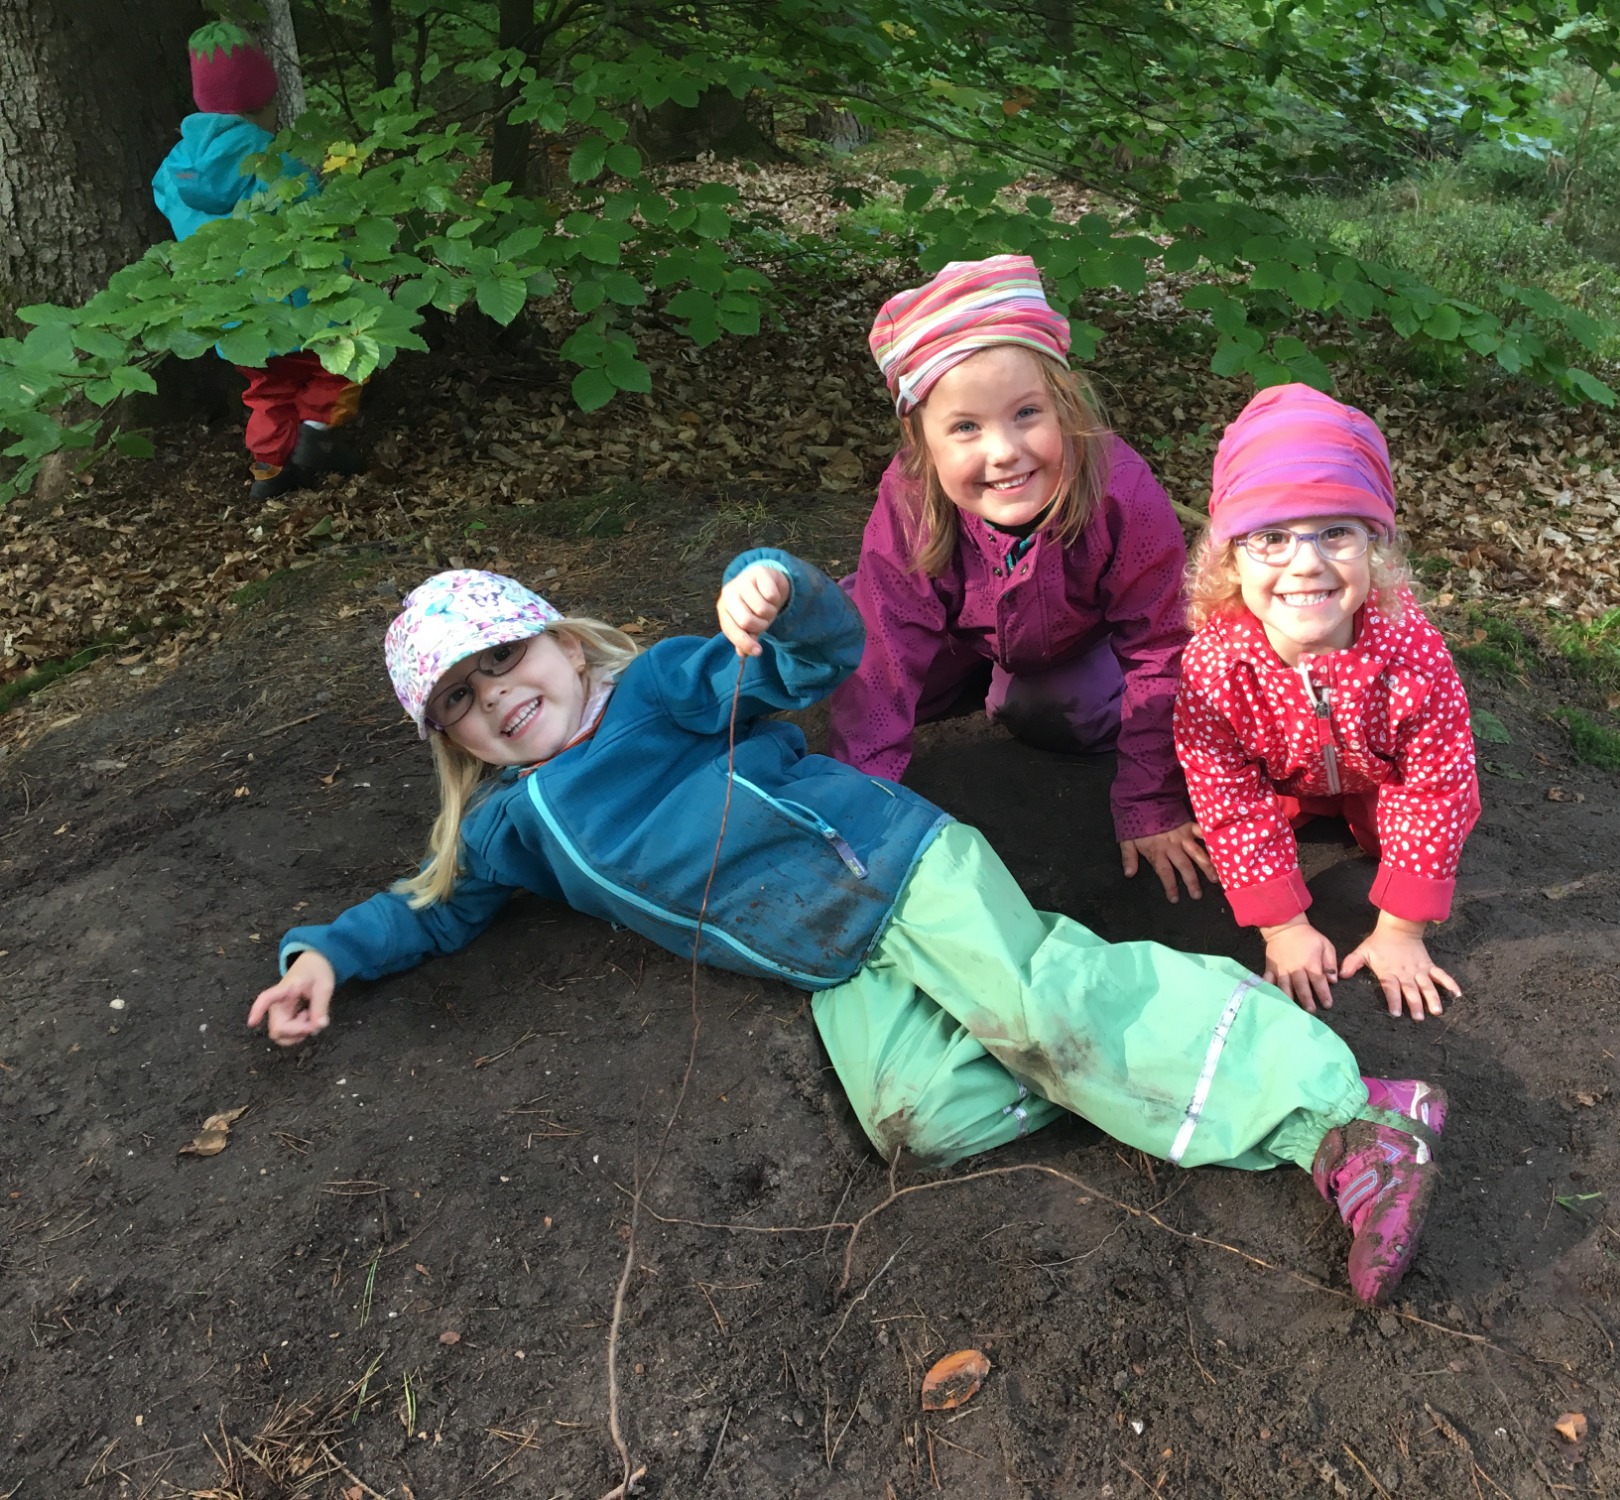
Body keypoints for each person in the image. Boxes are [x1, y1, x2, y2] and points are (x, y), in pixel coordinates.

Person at [246, 552, 1450, 1303]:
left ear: (562, 642)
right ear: (451, 740)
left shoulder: (658, 691)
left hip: (897, 868)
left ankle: (1344, 1119)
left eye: (506, 657)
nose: (499, 695)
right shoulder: (514, 827)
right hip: (831, 958)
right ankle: (1102, 1040)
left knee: (1038, 1013)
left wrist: (773, 590)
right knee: (917, 1118)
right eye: (460, 699)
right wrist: (327, 956)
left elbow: (809, 661)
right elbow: (435, 902)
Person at [826, 255, 1212, 904]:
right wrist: (862, 809)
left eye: (1026, 413)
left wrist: (1149, 800)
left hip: (1070, 642)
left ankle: (999, 682)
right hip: (955, 627)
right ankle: (843, 610)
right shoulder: (910, 498)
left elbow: (1160, 646)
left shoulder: (1120, 491)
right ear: (921, 441)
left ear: (1063, 403)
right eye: (966, 427)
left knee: (1070, 713)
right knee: (849, 661)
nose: (1004, 451)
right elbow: (885, 658)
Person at [1173, 385, 1481, 1022]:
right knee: (1236, 834)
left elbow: (1435, 787)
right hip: (1281, 778)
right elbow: (1227, 792)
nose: (1306, 564)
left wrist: (1401, 930)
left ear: (1376, 547)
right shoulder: (1215, 666)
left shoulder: (1412, 654)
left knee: (1405, 841)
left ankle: (1374, 853)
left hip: (1379, 779)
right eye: (1272, 537)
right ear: (1229, 559)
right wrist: (1283, 926)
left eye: (1336, 532)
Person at [152, 22, 363, 500]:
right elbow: (316, 222)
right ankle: (317, 437)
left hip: (234, 315)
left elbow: (166, 201)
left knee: (267, 391)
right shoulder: (274, 162)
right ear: (263, 105)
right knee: (343, 360)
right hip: (297, 305)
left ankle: (269, 473)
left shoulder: (176, 166)